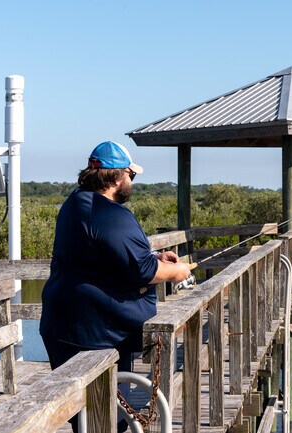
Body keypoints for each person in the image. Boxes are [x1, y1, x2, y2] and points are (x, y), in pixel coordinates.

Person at [39, 141, 191, 433]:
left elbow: (102, 257)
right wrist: (176, 271)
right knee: (106, 418)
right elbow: (142, 271)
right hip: (98, 333)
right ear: (118, 176)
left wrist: (154, 256)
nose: (132, 182)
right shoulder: (111, 214)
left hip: (63, 326)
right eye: (131, 176)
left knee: (81, 415)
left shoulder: (75, 202)